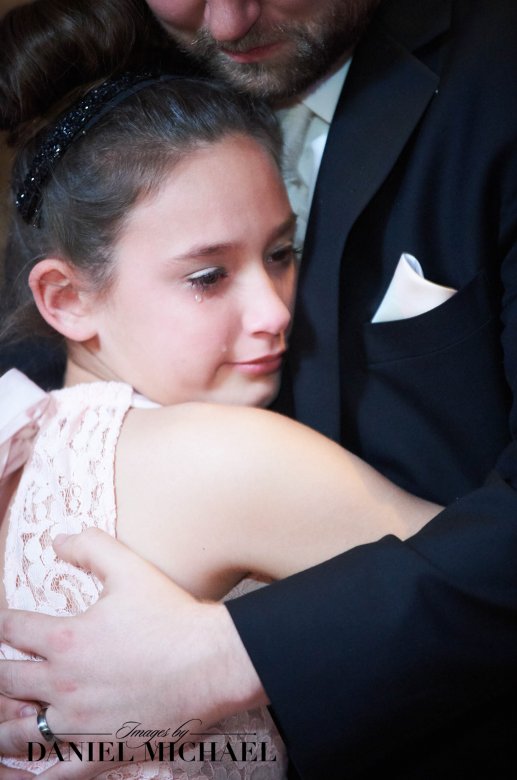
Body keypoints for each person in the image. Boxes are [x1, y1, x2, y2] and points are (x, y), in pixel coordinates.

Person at [1, 0, 517, 777]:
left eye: (282, 252)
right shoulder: (225, 458)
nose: (278, 312)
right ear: (65, 298)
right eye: (207, 277)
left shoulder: (19, 437)